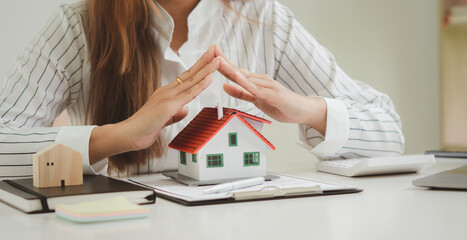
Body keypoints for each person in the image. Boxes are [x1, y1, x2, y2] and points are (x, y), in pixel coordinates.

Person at [0, 0, 404, 178]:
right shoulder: (78, 25)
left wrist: (308, 109)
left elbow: (389, 132)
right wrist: (120, 136)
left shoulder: (267, 21)